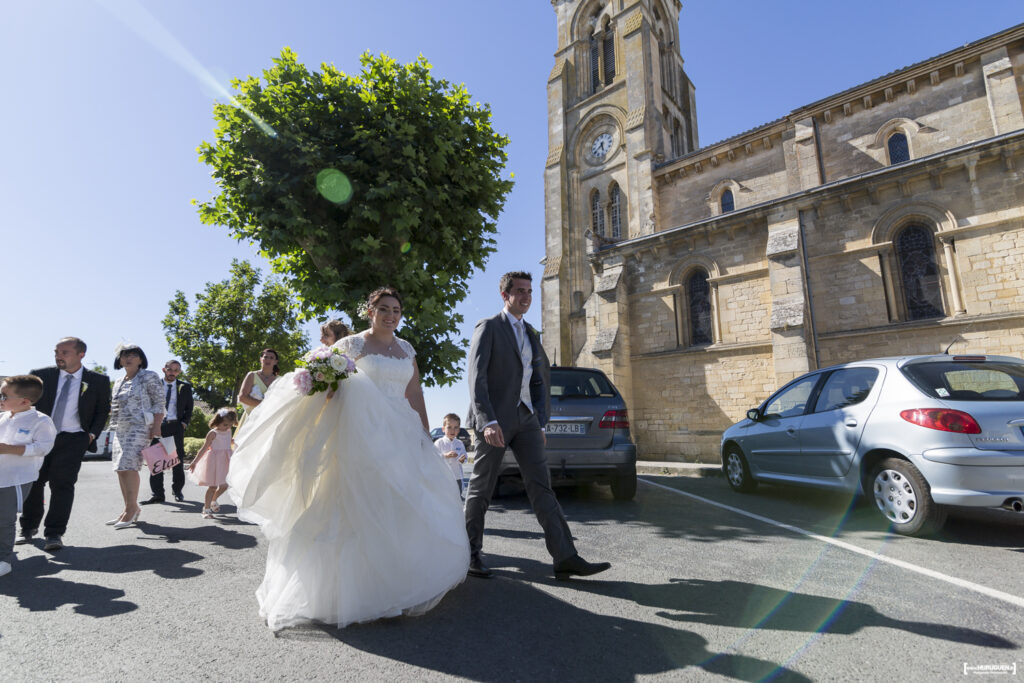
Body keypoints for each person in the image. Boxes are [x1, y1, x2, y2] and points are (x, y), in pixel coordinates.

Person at [228, 286, 468, 631]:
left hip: (399, 432)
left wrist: (423, 433)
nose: (391, 315)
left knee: (402, 501)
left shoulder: (406, 348)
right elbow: (329, 389)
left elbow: (414, 391)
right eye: (384, 309)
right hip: (360, 434)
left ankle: (397, 581)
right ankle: (352, 591)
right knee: (357, 502)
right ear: (370, 312)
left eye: (396, 310)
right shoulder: (350, 345)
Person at [465, 271, 611, 580]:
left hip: (527, 419)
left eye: (529, 291)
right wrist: (487, 420)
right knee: (482, 488)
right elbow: (476, 377)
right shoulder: (489, 327)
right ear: (505, 295)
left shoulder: (531, 333)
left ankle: (565, 557)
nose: (526, 296)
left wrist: (540, 422)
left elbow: (539, 378)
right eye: (520, 291)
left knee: (542, 487)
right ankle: (470, 554)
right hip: (494, 420)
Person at [19, 337, 111, 551]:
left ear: (81, 355)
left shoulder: (98, 380)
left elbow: (102, 411)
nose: (58, 356)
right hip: (40, 437)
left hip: (73, 439)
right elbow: (25, 404)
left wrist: (91, 435)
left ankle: (54, 533)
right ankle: (28, 527)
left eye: (64, 352)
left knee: (62, 485)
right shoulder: (40, 375)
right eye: (56, 352)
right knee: (33, 482)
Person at [0, 376, 57, 577]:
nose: (0, 399)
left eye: (4, 396)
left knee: (4, 519)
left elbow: (43, 448)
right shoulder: (3, 417)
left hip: (15, 479)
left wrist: (9, 449)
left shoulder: (41, 421)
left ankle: (4, 560)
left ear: (24, 401)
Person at [105, 344, 164, 530]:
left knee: (129, 466)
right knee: (120, 468)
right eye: (124, 355)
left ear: (140, 359)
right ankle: (129, 508)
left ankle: (131, 509)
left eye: (133, 355)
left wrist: (157, 426)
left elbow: (159, 402)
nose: (128, 358)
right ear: (119, 360)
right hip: (120, 429)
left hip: (140, 427)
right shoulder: (118, 381)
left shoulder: (149, 376)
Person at [143, 360, 193, 504]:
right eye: (170, 369)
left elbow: (189, 408)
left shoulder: (185, 387)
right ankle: (157, 494)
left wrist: (184, 423)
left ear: (179, 372)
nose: (172, 372)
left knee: (177, 461)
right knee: (156, 460)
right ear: (164, 369)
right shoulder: (155, 385)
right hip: (157, 426)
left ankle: (177, 490)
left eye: (176, 370)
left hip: (175, 426)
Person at [188, 408, 237, 519]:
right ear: (218, 421)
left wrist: (234, 441)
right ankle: (206, 509)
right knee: (213, 486)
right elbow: (204, 448)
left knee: (225, 485)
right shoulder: (213, 433)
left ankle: (213, 500)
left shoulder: (228, 431)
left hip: (226, 461)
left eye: (230, 425)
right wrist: (195, 462)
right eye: (225, 425)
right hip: (214, 462)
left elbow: (228, 440)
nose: (227, 427)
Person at [235, 349, 279, 433]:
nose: (268, 359)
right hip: (251, 419)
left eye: (271, 358)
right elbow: (242, 397)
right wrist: (264, 405)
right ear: (261, 359)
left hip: (270, 420)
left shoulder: (280, 380)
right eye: (265, 357)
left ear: (275, 362)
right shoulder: (252, 375)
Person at [434, 413, 467, 497]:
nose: (453, 430)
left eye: (456, 427)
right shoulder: (439, 443)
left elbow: (464, 456)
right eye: (449, 427)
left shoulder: (460, 443)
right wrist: (445, 455)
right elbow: (433, 458)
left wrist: (463, 459)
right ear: (443, 429)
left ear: (459, 430)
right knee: (444, 498)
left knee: (457, 498)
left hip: (457, 477)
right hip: (443, 477)